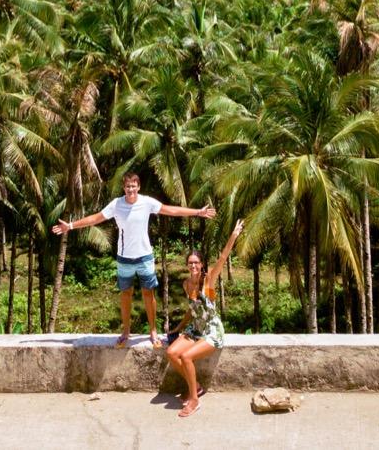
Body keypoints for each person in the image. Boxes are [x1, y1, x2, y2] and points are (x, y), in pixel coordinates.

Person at [52, 172, 215, 347]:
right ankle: (126, 331)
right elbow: (96, 218)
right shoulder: (116, 204)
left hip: (145, 257)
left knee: (148, 293)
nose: (131, 189)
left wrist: (198, 212)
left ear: (138, 187)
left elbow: (171, 210)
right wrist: (70, 226)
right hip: (124, 259)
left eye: (133, 186)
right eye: (128, 186)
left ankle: (153, 331)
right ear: (124, 188)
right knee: (126, 294)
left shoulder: (147, 202)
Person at [165, 218, 243, 418]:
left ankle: (194, 400)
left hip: (211, 330)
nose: (193, 266)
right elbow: (191, 311)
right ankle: (196, 386)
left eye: (196, 263)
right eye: (190, 263)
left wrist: (233, 235)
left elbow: (224, 257)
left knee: (186, 356)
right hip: (195, 329)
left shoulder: (208, 280)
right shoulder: (186, 284)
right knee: (172, 353)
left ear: (202, 265)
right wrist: (178, 328)